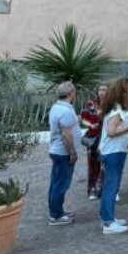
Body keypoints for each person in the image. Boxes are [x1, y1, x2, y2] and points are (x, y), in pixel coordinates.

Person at [99, 77, 128, 234]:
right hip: (113, 152)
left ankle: (107, 218)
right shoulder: (117, 111)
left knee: (112, 185)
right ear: (122, 91)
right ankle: (108, 222)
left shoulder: (118, 108)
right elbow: (111, 132)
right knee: (111, 186)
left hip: (115, 151)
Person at [47, 81, 81, 226]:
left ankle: (57, 211)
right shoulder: (65, 110)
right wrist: (72, 152)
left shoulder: (57, 107)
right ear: (70, 93)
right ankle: (56, 215)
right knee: (61, 184)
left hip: (56, 150)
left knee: (56, 183)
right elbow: (67, 134)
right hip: (63, 152)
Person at [79, 83, 107, 200]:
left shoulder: (111, 105)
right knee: (93, 164)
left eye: (104, 89)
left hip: (106, 139)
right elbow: (82, 118)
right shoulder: (91, 104)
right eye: (100, 89)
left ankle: (105, 189)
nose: (102, 92)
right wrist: (90, 124)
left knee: (105, 165)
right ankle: (92, 190)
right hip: (93, 138)